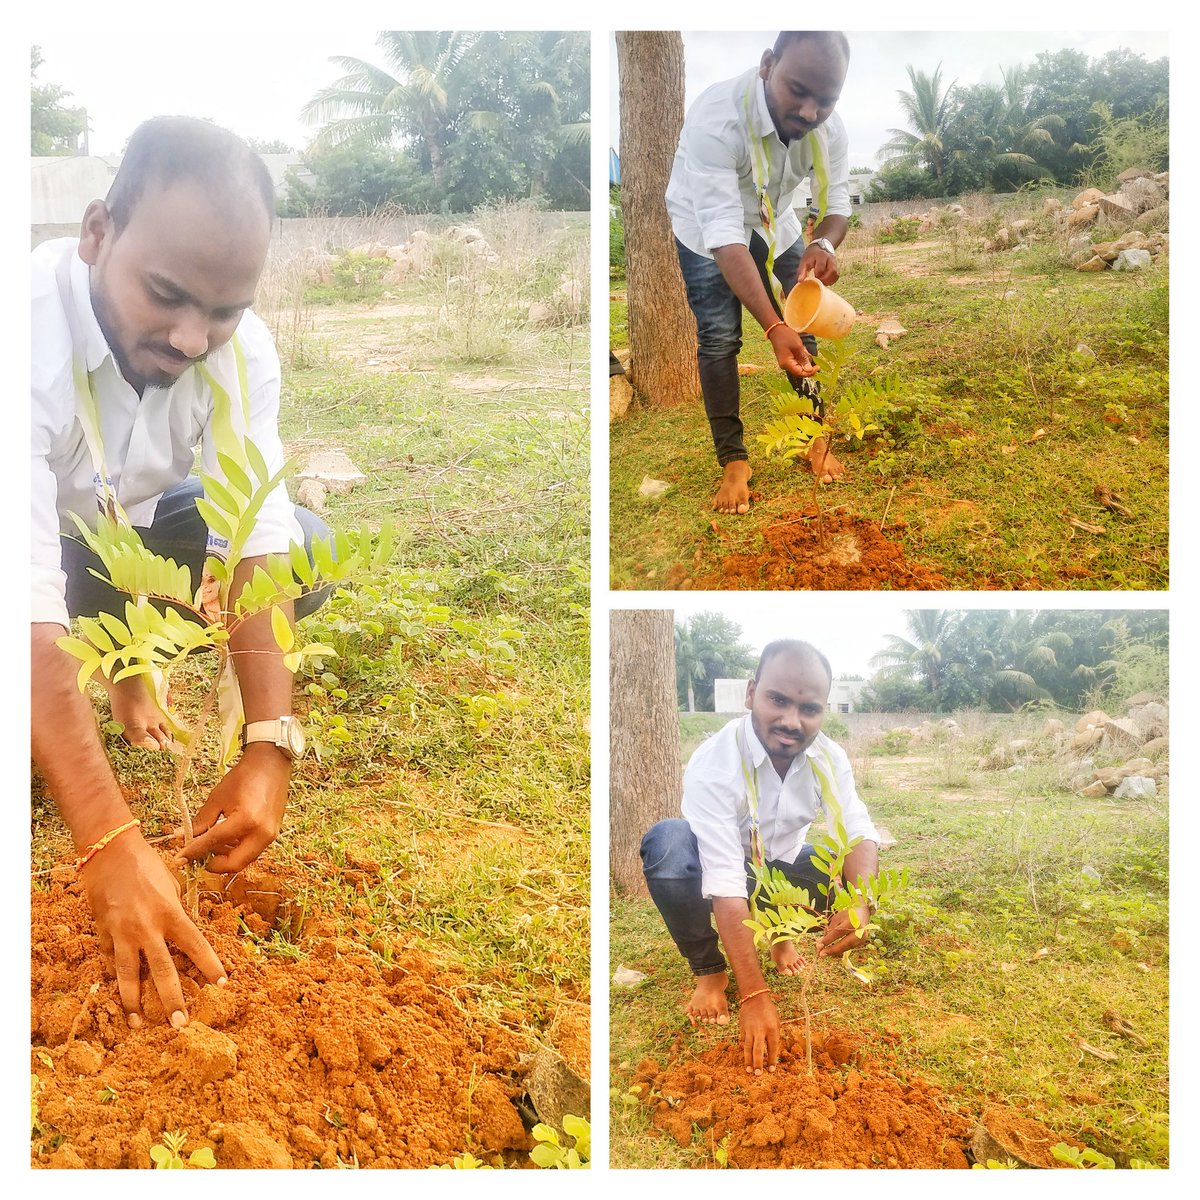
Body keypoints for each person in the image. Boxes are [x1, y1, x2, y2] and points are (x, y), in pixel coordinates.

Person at [32, 117, 329, 1029]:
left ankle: (123, 666)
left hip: (124, 534)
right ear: (97, 233)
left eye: (225, 309)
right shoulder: (23, 335)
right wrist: (109, 840)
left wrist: (269, 745)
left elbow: (254, 532)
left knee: (305, 549)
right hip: (33, 536)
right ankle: (114, 668)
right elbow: (20, 579)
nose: (195, 337)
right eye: (165, 295)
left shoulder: (242, 351)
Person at [640, 639, 880, 1076]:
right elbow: (726, 881)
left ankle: (779, 936)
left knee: (834, 875)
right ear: (751, 693)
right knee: (668, 848)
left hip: (778, 868)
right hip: (721, 865)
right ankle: (710, 971)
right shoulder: (716, 760)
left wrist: (860, 902)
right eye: (778, 700)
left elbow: (858, 831)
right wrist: (754, 995)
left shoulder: (827, 755)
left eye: (809, 708)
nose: (792, 721)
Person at [665, 31, 853, 514]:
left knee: (803, 317)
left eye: (826, 100)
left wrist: (823, 243)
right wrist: (772, 327)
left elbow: (837, 205)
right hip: (706, 228)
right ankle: (734, 460)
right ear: (768, 64)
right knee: (719, 337)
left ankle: (815, 432)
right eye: (799, 91)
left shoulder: (828, 130)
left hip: (777, 221)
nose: (811, 112)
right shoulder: (718, 121)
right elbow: (727, 238)